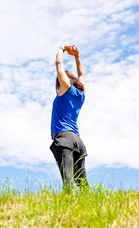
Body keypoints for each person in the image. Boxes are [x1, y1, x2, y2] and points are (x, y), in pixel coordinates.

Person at [50, 45, 88, 190]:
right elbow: (82, 76)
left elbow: (58, 64)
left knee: (68, 184)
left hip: (64, 139)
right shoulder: (81, 94)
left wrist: (61, 48)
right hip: (78, 141)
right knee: (82, 185)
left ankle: (66, 210)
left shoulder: (65, 88)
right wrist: (77, 57)